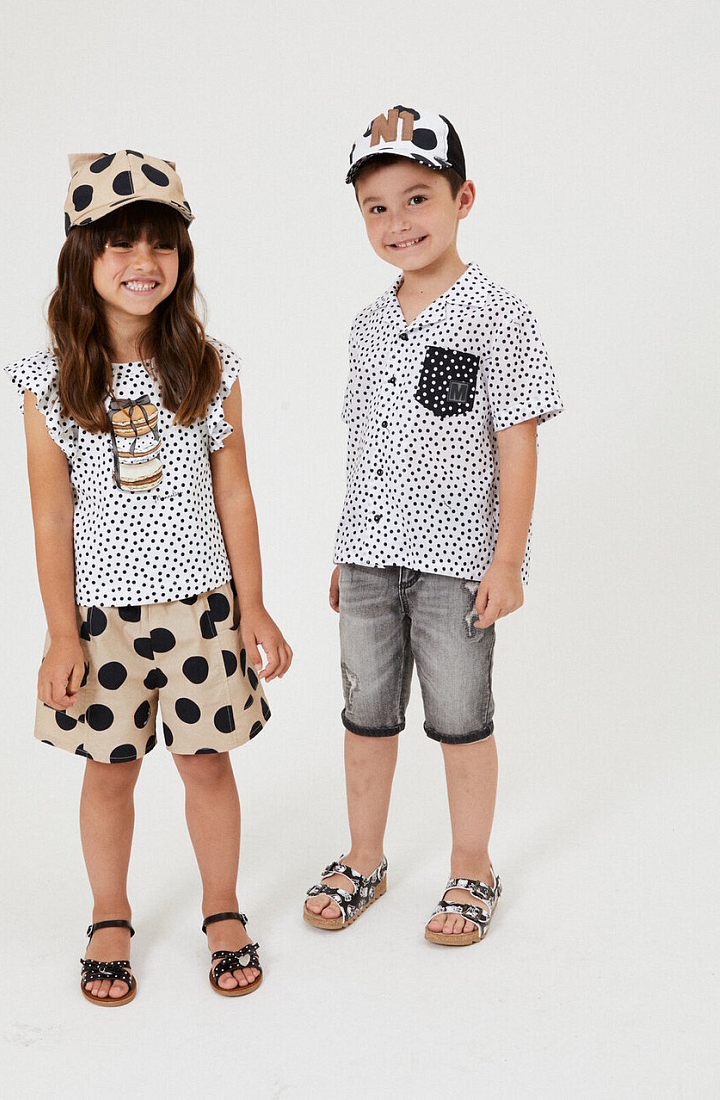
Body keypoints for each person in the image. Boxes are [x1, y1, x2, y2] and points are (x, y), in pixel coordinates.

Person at [6, 149, 291, 1003]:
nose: (143, 261)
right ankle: (109, 915)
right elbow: (51, 517)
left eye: (161, 244)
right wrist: (62, 635)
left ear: (182, 258)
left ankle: (222, 908)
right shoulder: (52, 381)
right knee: (110, 772)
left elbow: (235, 495)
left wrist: (254, 607)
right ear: (82, 257)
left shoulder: (208, 366)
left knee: (206, 766)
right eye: (120, 243)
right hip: (103, 623)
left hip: (203, 611)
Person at [303, 107, 562, 944]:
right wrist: (347, 547)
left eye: (417, 199)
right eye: (376, 208)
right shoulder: (367, 325)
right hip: (369, 559)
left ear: (463, 199)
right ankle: (364, 858)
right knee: (365, 716)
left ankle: (471, 868)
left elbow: (516, 443)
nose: (398, 222)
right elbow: (365, 443)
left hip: (458, 566)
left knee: (460, 719)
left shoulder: (499, 315)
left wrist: (507, 561)